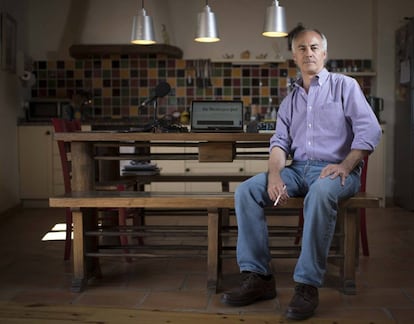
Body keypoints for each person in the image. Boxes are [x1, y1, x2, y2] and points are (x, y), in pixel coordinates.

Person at [220, 28, 382, 320]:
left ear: (324, 53)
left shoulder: (345, 86)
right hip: (297, 170)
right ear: (294, 56)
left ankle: (307, 285)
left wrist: (346, 165)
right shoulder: (290, 100)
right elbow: (279, 144)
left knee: (319, 194)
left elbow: (370, 130)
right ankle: (259, 278)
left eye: (315, 47)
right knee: (246, 192)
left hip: (336, 171)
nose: (309, 53)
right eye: (302, 48)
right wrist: (274, 175)